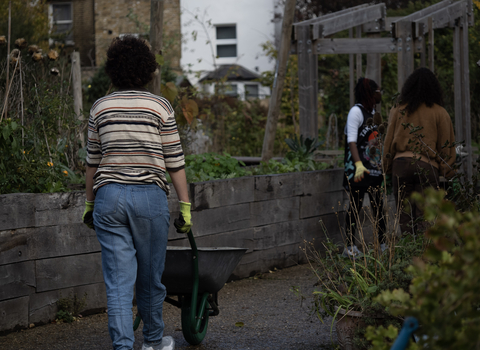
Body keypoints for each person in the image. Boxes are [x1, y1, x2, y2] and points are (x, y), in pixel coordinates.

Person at [82, 36, 191, 350]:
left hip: (109, 198)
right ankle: (154, 343)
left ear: (112, 70)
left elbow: (92, 163)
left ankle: (123, 347)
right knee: (149, 278)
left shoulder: (100, 107)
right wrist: (185, 206)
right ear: (147, 70)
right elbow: (175, 162)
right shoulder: (159, 106)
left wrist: (89, 204)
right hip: (148, 198)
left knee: (118, 283)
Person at [383, 67, 455, 235]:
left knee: (404, 215)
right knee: (426, 217)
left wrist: (386, 168)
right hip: (427, 167)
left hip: (400, 166)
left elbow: (387, 144)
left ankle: (408, 256)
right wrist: (447, 171)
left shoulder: (397, 110)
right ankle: (424, 256)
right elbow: (447, 148)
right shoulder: (440, 112)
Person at [343, 77, 385, 258]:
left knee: (378, 206)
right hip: (358, 169)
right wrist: (358, 164)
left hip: (374, 168)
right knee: (355, 206)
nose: (380, 94)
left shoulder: (374, 113)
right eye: (378, 91)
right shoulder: (356, 112)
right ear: (370, 93)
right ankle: (350, 247)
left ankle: (383, 245)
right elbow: (351, 140)